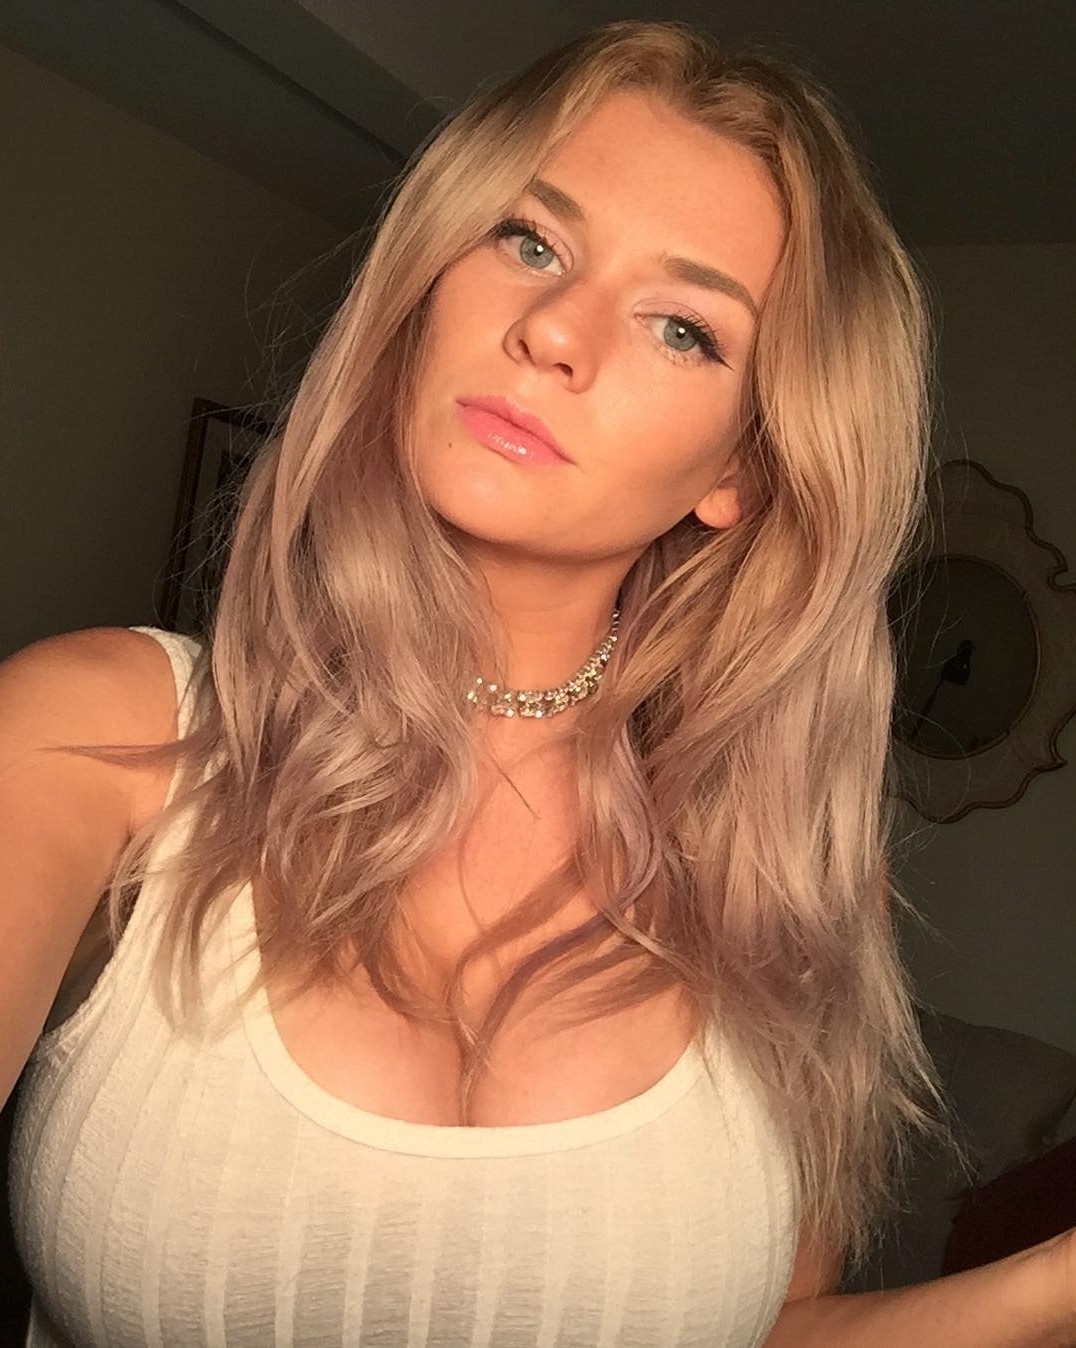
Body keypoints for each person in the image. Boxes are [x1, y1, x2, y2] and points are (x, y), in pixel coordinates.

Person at [1, 18, 1072, 1348]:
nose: (554, 329)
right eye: (530, 241)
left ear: (742, 471)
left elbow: (765, 1333)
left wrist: (1054, 1288)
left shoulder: (771, 890)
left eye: (682, 328)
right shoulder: (94, 735)